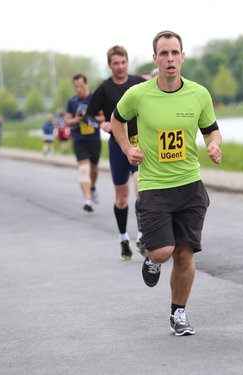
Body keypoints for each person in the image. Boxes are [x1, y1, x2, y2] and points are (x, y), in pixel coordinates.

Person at [111, 31, 222, 336]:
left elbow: (212, 130)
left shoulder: (199, 94)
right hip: (154, 186)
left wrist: (214, 144)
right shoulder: (139, 94)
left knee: (184, 255)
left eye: (175, 53)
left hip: (189, 185)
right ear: (155, 58)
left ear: (182, 57)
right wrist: (126, 148)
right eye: (164, 53)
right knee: (162, 252)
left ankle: (179, 313)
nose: (170, 59)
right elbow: (117, 119)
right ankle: (152, 260)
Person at [86, 45, 146, 260]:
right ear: (109, 65)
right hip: (118, 146)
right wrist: (101, 123)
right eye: (115, 64)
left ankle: (141, 236)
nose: (120, 67)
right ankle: (123, 238)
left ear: (127, 63)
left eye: (123, 63)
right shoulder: (104, 88)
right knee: (122, 197)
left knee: (142, 190)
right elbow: (89, 115)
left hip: (139, 144)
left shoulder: (139, 83)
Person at [65, 74, 104, 213]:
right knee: (83, 170)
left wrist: (89, 118)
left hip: (93, 139)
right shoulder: (72, 101)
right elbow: (67, 121)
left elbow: (103, 116)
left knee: (93, 170)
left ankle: (92, 187)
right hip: (79, 139)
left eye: (81, 86)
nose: (79, 89)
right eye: (76, 87)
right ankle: (87, 200)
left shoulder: (94, 98)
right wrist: (77, 119)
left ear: (86, 85)